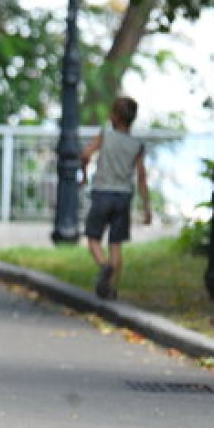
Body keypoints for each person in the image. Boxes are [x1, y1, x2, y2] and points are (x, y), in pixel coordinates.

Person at [79, 95, 151, 300]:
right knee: (116, 243)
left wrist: (84, 176)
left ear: (115, 117)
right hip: (123, 197)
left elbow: (85, 155)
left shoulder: (106, 136)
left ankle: (104, 267)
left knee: (93, 238)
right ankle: (110, 290)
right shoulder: (136, 144)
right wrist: (147, 208)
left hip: (102, 193)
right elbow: (142, 176)